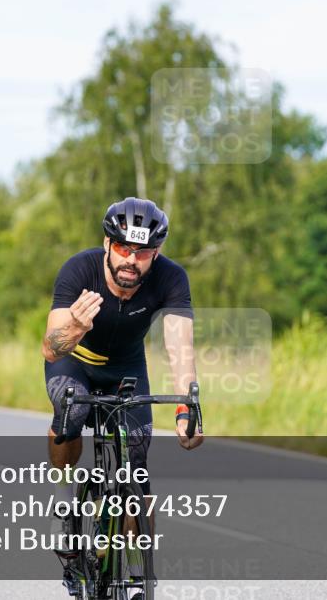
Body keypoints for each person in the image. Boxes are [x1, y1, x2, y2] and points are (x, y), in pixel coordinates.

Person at [43, 199, 203, 564]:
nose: (131, 259)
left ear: (157, 252)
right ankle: (64, 498)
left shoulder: (171, 277)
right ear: (107, 244)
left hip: (126, 367)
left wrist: (186, 406)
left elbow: (180, 345)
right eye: (123, 248)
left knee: (136, 457)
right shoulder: (79, 270)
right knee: (70, 410)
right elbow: (51, 349)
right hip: (75, 361)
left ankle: (133, 570)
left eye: (143, 251)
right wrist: (76, 327)